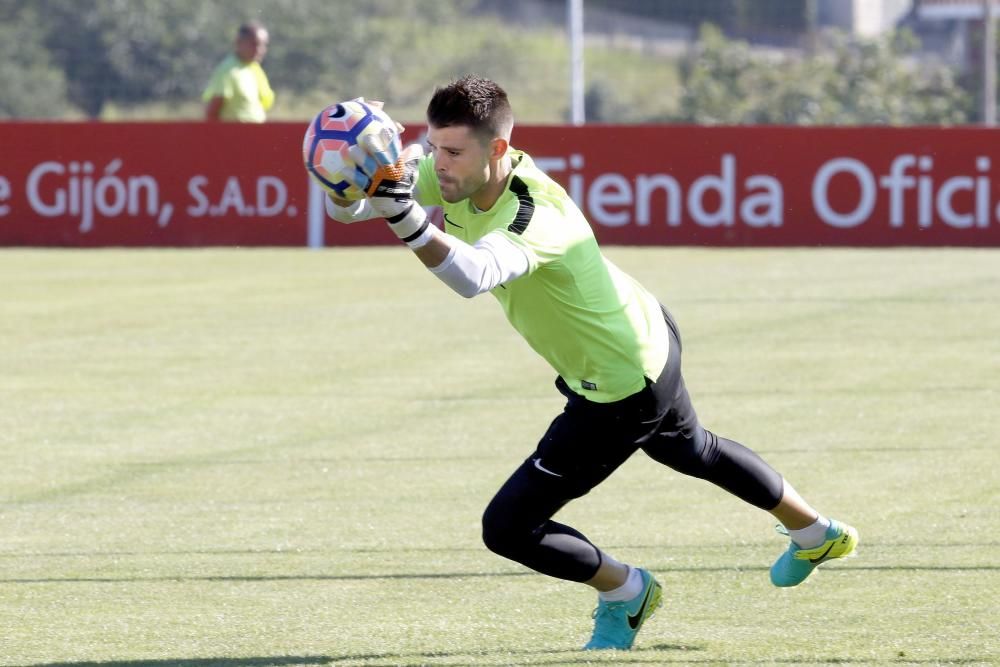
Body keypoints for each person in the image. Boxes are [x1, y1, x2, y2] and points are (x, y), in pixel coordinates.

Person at [324, 76, 859, 651]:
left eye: (452, 152)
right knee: (690, 448)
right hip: (647, 333)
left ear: (497, 149)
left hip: (621, 388)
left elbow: (472, 276)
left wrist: (402, 216)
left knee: (507, 528)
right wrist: (349, 180)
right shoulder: (455, 170)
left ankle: (627, 592)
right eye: (433, 148)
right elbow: (352, 210)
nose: (439, 163)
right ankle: (816, 532)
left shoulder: (535, 211)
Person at [202, 21, 274, 122]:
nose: (259, 50)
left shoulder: (255, 69)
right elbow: (213, 109)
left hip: (255, 135)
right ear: (239, 42)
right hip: (234, 135)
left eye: (263, 45)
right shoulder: (228, 70)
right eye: (254, 44)